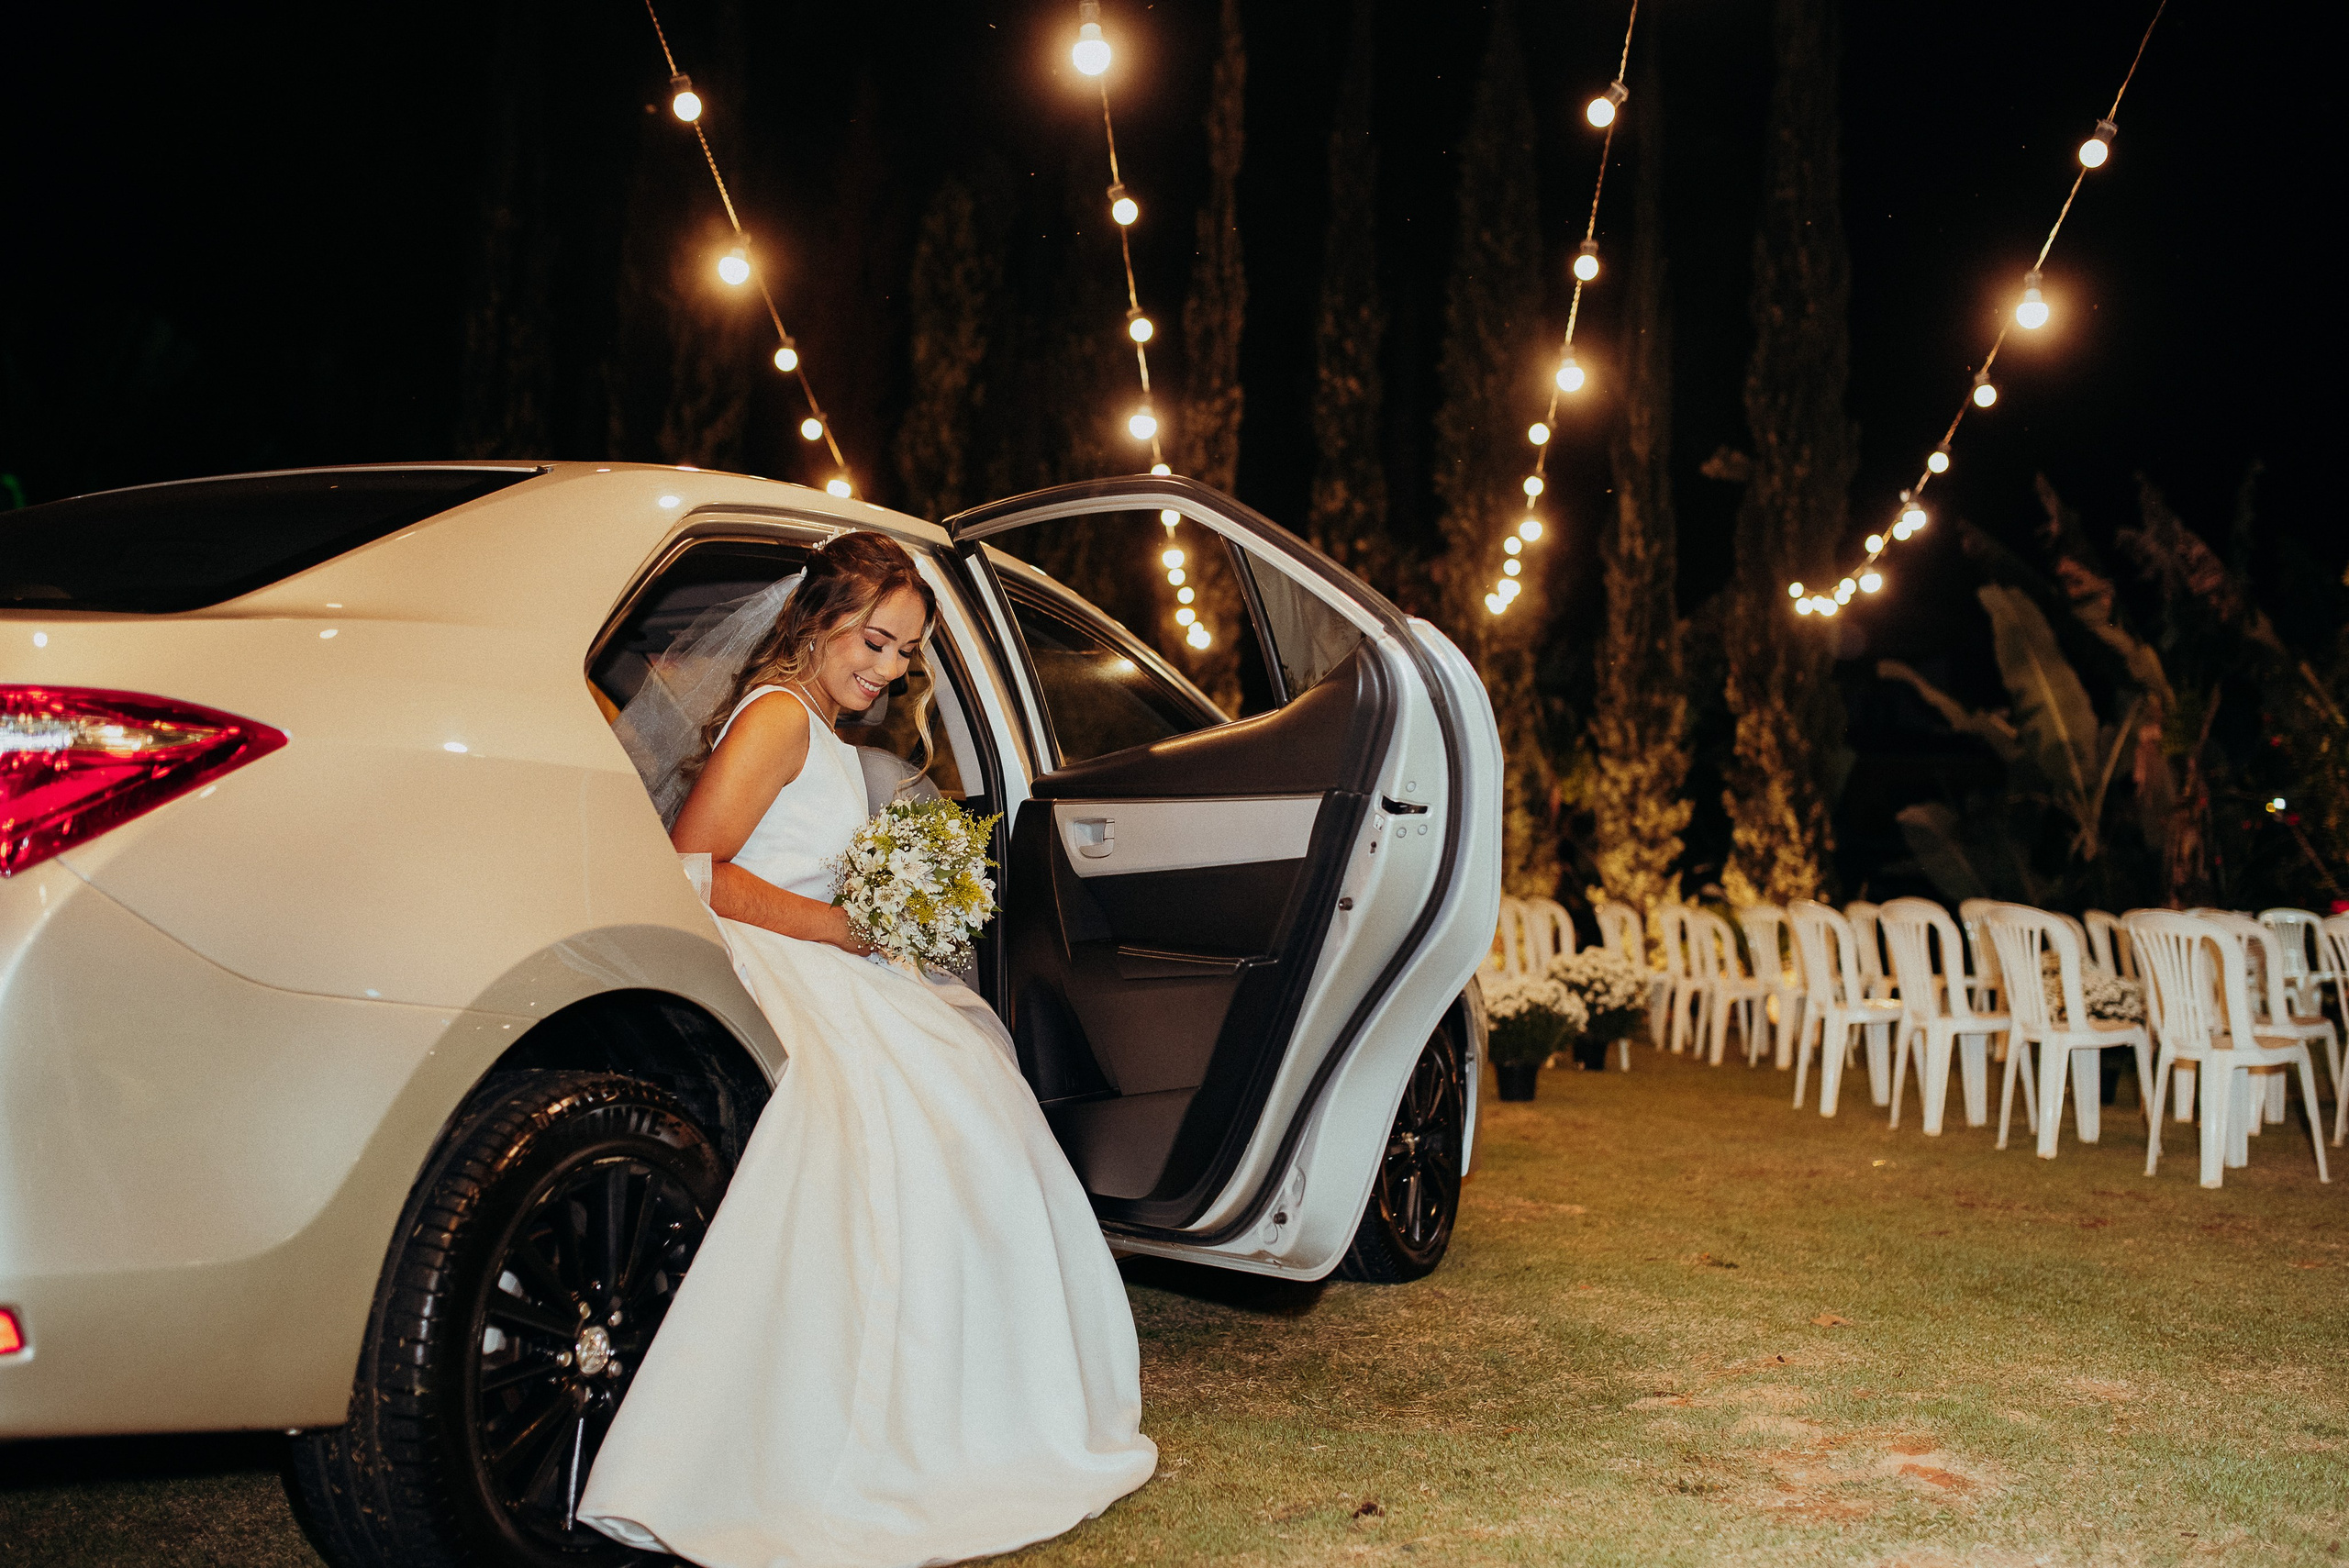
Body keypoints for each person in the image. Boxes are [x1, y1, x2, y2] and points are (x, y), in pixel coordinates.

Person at [578, 531, 1156, 1567]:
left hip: (820, 944)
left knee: (972, 1097)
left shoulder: (829, 737)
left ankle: (973, 1399)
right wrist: (849, 927)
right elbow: (691, 867)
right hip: (778, 955)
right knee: (927, 1111)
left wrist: (888, 910)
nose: (888, 667)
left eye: (904, 650)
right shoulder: (777, 717)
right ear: (817, 619)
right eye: (874, 639)